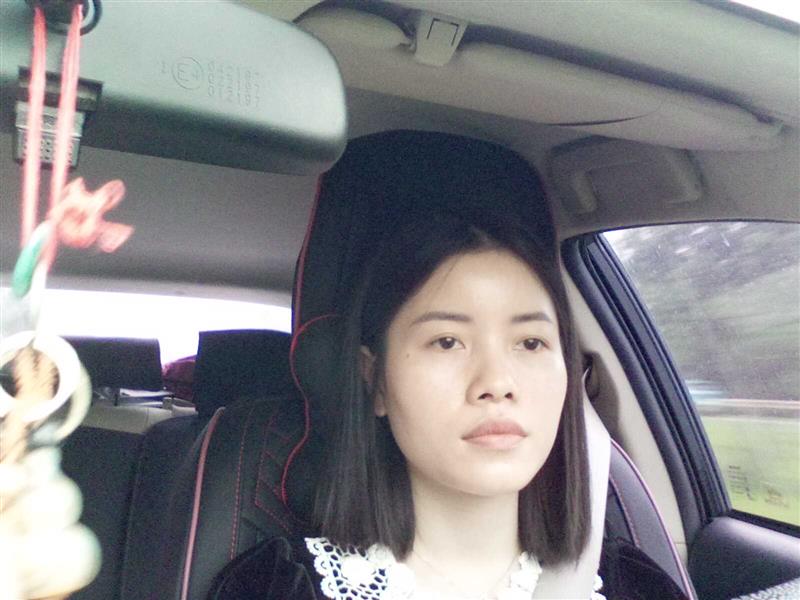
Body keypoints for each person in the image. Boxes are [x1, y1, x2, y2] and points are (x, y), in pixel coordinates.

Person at [209, 209, 689, 600]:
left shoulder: (631, 583)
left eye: (530, 343)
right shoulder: (277, 585)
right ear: (375, 381)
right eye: (446, 342)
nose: (496, 383)